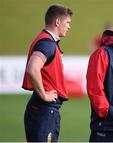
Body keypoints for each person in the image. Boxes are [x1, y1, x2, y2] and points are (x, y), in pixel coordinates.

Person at [22, 4, 73, 142]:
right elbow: (32, 68)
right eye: (67, 22)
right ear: (57, 22)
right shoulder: (47, 43)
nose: (69, 26)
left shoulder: (46, 41)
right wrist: (44, 95)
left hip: (42, 109)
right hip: (44, 109)